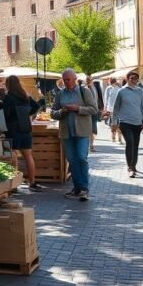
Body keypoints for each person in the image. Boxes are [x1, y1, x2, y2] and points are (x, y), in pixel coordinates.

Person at [51, 68, 98, 201]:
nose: (66, 82)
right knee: (72, 160)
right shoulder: (60, 94)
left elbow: (94, 109)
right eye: (64, 80)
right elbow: (53, 112)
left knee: (81, 158)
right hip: (67, 132)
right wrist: (61, 111)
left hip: (82, 131)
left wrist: (78, 109)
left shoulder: (84, 91)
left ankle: (84, 189)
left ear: (75, 79)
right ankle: (76, 188)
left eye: (68, 80)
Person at [2, 75, 44, 192]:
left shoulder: (8, 97)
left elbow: (6, 114)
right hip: (26, 129)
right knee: (28, 157)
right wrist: (27, 114)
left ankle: (14, 184)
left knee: (13, 156)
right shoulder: (25, 96)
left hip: (12, 130)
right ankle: (32, 182)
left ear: (8, 84)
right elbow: (36, 106)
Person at [111, 71, 143, 177]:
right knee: (130, 143)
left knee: (135, 145)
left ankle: (134, 165)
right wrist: (114, 122)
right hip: (125, 122)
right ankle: (130, 167)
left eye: (136, 78)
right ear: (127, 79)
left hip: (138, 122)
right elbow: (116, 108)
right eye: (132, 78)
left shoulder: (141, 91)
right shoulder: (121, 91)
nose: (134, 80)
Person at [103, 77, 123, 144]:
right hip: (111, 109)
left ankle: (118, 138)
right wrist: (105, 108)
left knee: (118, 124)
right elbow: (106, 99)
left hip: (117, 109)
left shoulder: (118, 88)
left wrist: (105, 108)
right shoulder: (109, 88)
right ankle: (115, 138)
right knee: (114, 124)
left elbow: (106, 99)